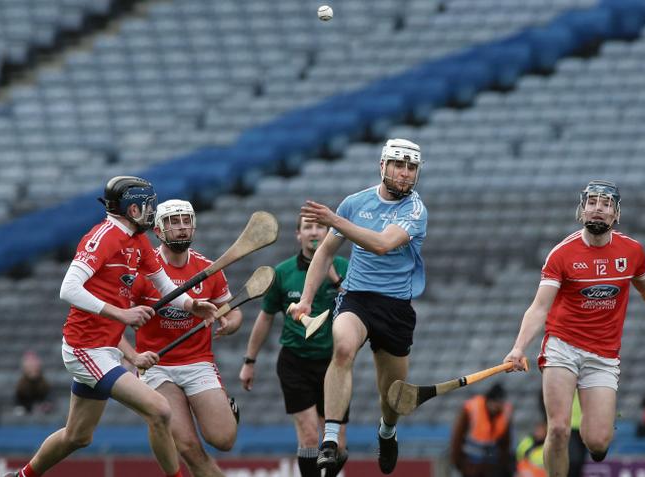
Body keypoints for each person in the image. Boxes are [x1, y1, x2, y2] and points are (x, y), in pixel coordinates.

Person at [5, 176, 220, 477]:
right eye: (148, 206)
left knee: (77, 436)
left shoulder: (138, 240)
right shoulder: (105, 236)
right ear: (132, 210)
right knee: (159, 410)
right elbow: (68, 288)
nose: (152, 212)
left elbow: (164, 284)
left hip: (105, 349)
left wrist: (191, 305)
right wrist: (121, 315)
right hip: (85, 348)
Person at [503, 180, 645, 477]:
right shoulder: (562, 254)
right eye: (592, 202)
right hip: (562, 346)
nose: (598, 209)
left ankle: (594, 444)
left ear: (615, 214)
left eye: (606, 204)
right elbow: (539, 307)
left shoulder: (631, 251)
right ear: (582, 210)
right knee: (558, 429)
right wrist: (518, 348)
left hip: (603, 354)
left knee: (597, 441)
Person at [288, 138, 427, 474]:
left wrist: (336, 221)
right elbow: (324, 253)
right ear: (382, 166)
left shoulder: (415, 210)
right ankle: (330, 440)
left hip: (395, 307)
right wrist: (306, 300)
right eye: (398, 164)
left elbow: (381, 244)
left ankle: (387, 431)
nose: (405, 173)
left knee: (392, 396)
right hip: (357, 298)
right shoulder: (355, 203)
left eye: (411, 167)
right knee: (343, 348)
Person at [120, 199, 242, 477]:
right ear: (158, 231)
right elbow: (111, 325)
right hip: (157, 368)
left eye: (186, 221)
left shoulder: (208, 269)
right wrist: (133, 357)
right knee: (188, 448)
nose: (182, 228)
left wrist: (228, 324)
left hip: (198, 362)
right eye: (174, 222)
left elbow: (233, 312)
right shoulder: (141, 271)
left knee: (223, 440)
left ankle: (227, 408)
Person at [239, 213, 350, 477]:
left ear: (329, 233)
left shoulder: (345, 268)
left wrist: (335, 279)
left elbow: (359, 308)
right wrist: (249, 361)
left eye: (320, 227)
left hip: (335, 365)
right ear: (298, 234)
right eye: (307, 227)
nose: (314, 232)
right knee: (311, 437)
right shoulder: (282, 272)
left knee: (339, 446)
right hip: (295, 362)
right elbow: (265, 318)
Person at [449, 383, 515, 477]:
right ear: (489, 400)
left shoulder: (505, 414)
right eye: (495, 402)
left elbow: (505, 444)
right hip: (470, 465)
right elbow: (457, 438)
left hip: (492, 466)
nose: (497, 407)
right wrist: (458, 463)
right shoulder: (472, 409)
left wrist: (504, 466)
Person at [13, 350, 53, 415]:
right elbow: (17, 404)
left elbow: (50, 401)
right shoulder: (20, 386)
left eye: (33, 364)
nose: (32, 367)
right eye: (29, 365)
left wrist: (45, 406)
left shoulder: (45, 384)